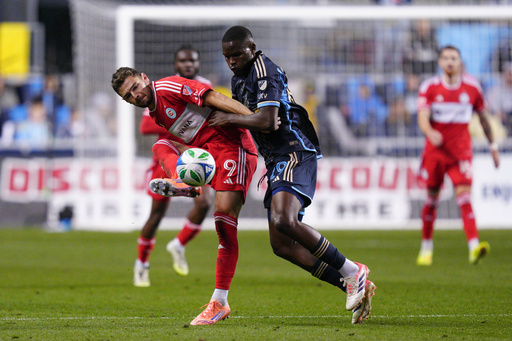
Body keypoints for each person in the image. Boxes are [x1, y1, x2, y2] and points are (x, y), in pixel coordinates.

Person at [209, 25, 376, 325]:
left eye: (236, 54)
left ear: (252, 47)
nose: (232, 61)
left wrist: (228, 119)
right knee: (282, 245)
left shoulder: (264, 70)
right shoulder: (239, 78)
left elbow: (268, 120)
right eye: (226, 57)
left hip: (294, 152)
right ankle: (351, 285)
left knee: (283, 220)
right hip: (275, 161)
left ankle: (353, 271)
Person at [111, 66, 258, 326]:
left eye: (134, 88)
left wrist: (255, 119)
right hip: (209, 152)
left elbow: (216, 98)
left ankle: (220, 302)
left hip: (233, 146)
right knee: (161, 144)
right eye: (128, 97)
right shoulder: (157, 113)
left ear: (144, 77)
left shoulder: (169, 86)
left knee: (223, 220)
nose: (135, 97)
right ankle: (182, 180)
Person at [134, 45, 215, 287]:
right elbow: (146, 127)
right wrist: (182, 122)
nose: (188, 64)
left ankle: (178, 245)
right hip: (167, 154)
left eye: (192, 60)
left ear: (198, 64)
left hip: (194, 154)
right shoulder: (162, 88)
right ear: (175, 65)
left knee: (205, 201)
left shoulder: (204, 84)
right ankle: (141, 264)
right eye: (183, 61)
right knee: (156, 215)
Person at [416, 45, 500, 266]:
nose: (450, 61)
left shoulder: (473, 88)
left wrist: (493, 146)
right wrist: (430, 131)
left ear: (460, 62)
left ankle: (474, 247)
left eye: (454, 58)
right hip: (435, 153)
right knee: (432, 199)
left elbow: (483, 118)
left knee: (464, 197)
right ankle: (426, 247)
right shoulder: (430, 87)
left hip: (461, 153)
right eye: (446, 58)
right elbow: (422, 117)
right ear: (440, 63)